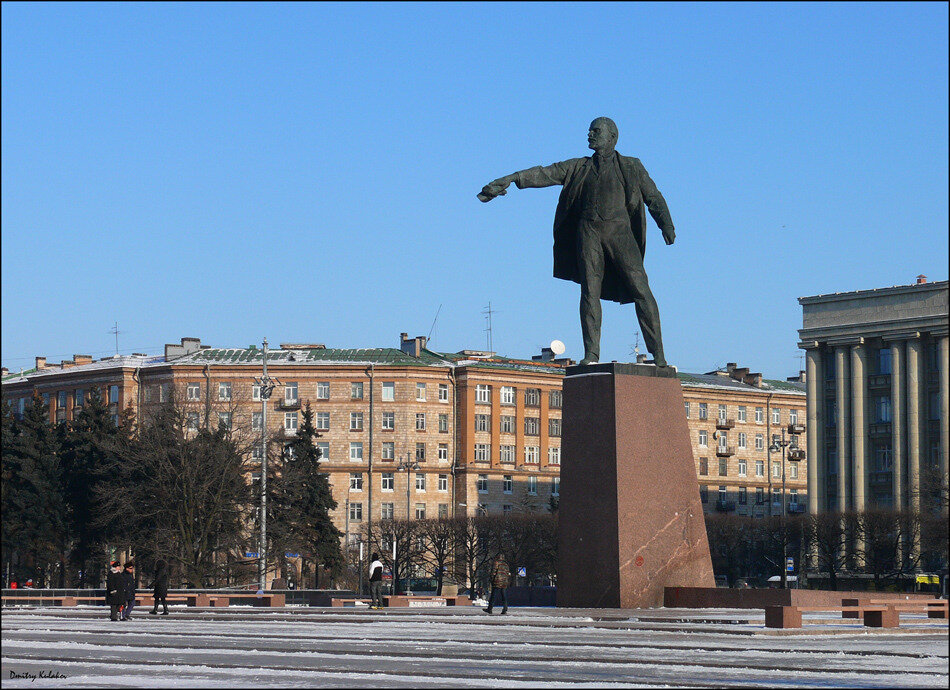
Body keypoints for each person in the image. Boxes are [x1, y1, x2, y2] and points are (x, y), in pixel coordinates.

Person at [479, 117, 676, 367]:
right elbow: (544, 173)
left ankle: (658, 356)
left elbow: (653, 196)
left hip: (621, 233)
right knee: (589, 293)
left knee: (642, 291)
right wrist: (511, 178)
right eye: (590, 130)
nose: (589, 134)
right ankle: (592, 355)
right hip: (588, 232)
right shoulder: (578, 167)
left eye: (596, 131)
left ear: (612, 137)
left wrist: (666, 224)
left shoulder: (631, 166)